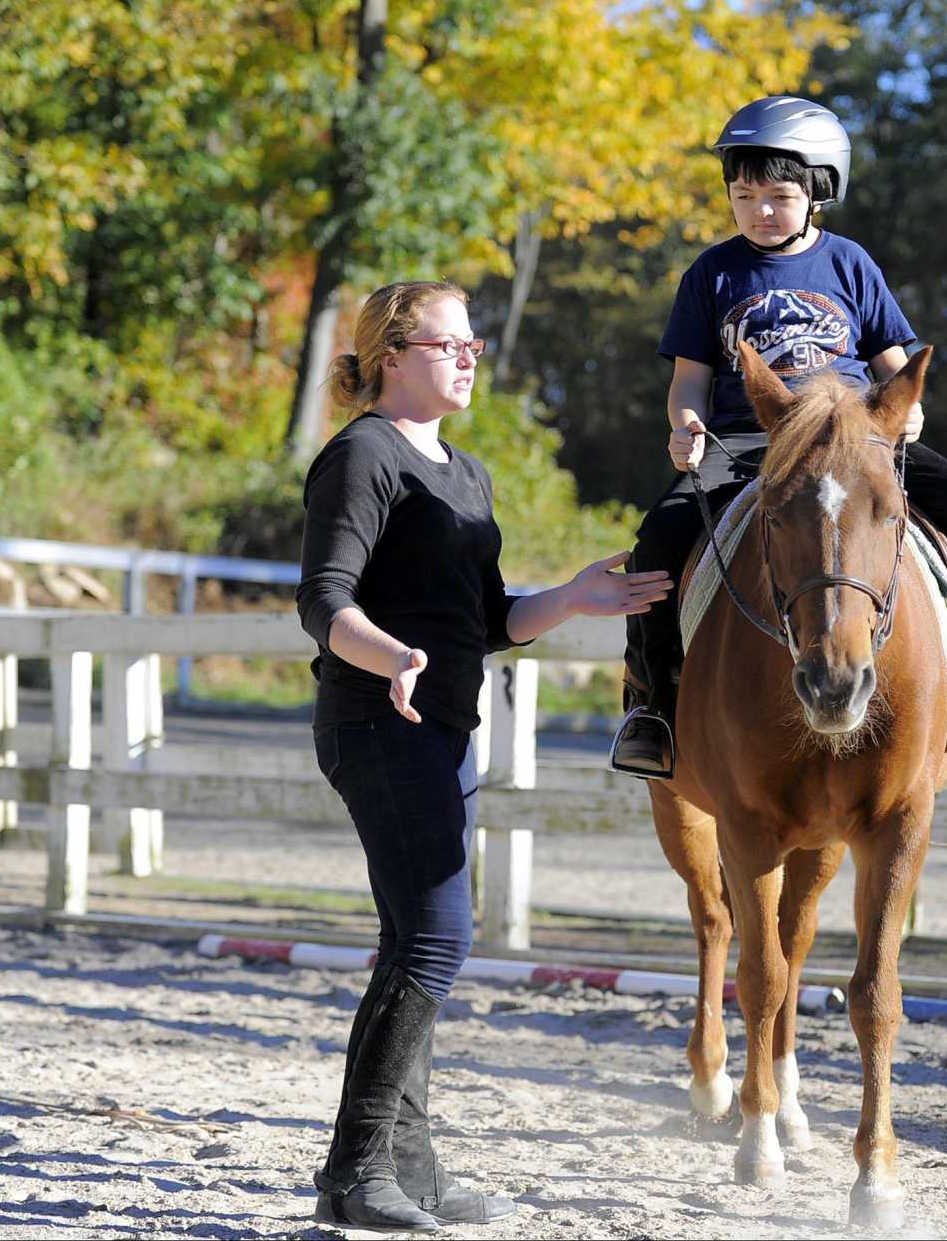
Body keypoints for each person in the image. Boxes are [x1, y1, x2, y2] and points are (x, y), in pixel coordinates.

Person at [297, 280, 672, 1233]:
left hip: (445, 729)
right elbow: (324, 599)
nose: (469, 357)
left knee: (414, 941)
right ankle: (352, 1173)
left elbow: (489, 619)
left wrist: (576, 598)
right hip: (377, 722)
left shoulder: (465, 471)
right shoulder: (360, 457)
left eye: (473, 345)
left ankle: (409, 1171)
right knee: (438, 938)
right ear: (391, 354)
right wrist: (390, 656)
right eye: (449, 343)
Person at [609, 95, 947, 780]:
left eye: (777, 196)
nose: (759, 211)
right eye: (743, 196)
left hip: (851, 439)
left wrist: (908, 406)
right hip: (749, 445)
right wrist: (685, 425)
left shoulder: (850, 264)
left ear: (818, 193)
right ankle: (653, 704)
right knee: (657, 540)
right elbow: (689, 379)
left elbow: (893, 357)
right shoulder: (712, 274)